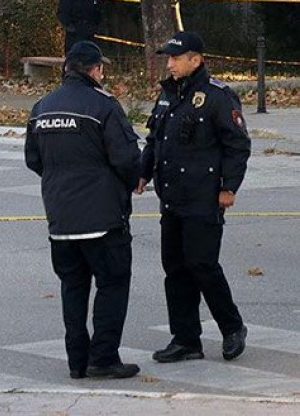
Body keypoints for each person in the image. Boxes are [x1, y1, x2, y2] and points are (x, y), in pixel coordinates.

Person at [24, 40, 142, 380]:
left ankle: (77, 361)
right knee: (112, 282)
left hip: (60, 219)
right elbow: (125, 158)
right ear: (95, 70)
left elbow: (34, 160)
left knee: (72, 286)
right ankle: (103, 357)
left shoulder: (42, 107)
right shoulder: (103, 106)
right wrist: (133, 179)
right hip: (103, 218)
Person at [138, 31, 250, 364]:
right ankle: (185, 339)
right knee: (175, 269)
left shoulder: (217, 97)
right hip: (172, 197)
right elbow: (154, 139)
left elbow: (237, 145)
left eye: (175, 58)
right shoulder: (167, 95)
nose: (169, 64)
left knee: (202, 265)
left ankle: (232, 327)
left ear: (195, 60)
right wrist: (142, 172)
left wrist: (229, 186)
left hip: (204, 197)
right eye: (168, 58)